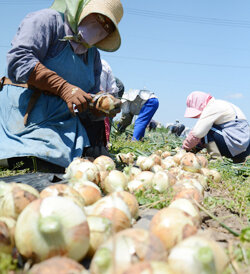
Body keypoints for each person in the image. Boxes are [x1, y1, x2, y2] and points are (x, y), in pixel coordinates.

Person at [0, 0, 124, 170]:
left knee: (78, 163)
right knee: (41, 160)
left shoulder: (92, 54)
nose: (102, 28)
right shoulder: (47, 21)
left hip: (62, 124)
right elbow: (19, 60)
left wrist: (99, 105)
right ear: (82, 9)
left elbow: (91, 94)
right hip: (26, 115)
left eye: (108, 26)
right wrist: (64, 87)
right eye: (100, 18)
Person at [182, 91, 250, 162]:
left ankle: (216, 160)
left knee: (205, 129)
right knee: (206, 129)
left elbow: (198, 132)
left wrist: (184, 148)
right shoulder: (223, 104)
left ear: (200, 104)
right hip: (246, 148)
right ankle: (238, 160)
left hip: (236, 146)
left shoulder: (212, 107)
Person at [99, 59, 123, 145]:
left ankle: (105, 142)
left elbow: (112, 92)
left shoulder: (103, 64)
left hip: (106, 95)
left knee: (106, 114)